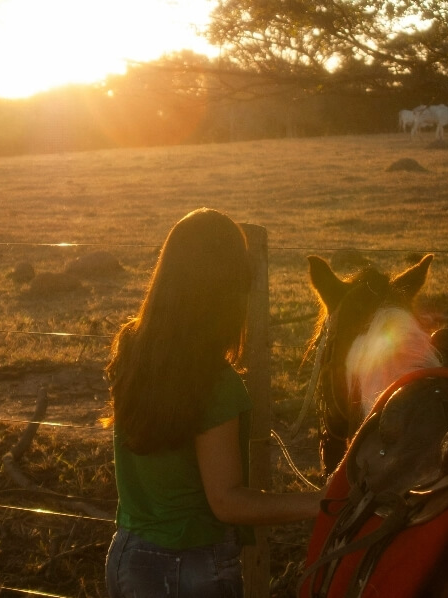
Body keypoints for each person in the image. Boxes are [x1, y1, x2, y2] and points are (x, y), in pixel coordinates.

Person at [104, 208, 324, 597]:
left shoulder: (131, 350)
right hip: (189, 567)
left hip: (128, 557)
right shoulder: (215, 384)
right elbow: (227, 502)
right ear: (226, 289)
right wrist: (319, 502)